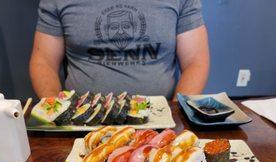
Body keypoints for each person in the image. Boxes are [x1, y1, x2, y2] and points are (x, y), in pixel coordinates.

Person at [30, 0, 210, 100]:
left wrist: (176, 112)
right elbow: (44, 61)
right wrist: (54, 108)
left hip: (160, 122)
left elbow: (195, 62)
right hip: (81, 121)